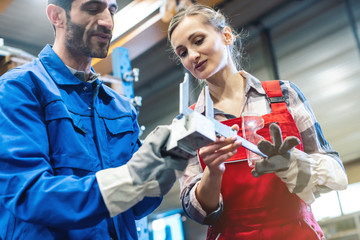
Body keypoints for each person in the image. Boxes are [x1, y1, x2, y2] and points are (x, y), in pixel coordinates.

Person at [0, 0, 188, 239]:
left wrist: (164, 168)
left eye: (111, 11)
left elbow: (138, 207)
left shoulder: (119, 107)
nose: (107, 22)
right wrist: (128, 179)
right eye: (92, 8)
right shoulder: (21, 88)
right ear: (57, 16)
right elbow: (27, 194)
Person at [167, 4, 348, 239]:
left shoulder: (285, 95)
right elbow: (198, 213)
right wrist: (213, 172)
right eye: (182, 52)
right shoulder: (188, 124)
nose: (192, 55)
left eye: (198, 40)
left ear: (226, 35)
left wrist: (292, 164)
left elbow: (336, 175)